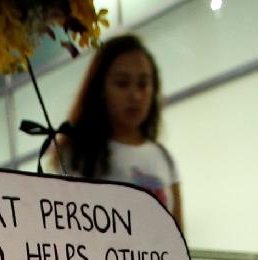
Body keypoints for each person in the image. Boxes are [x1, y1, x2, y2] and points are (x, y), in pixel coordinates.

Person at [54, 34, 183, 227]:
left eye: (143, 84)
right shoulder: (77, 155)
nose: (135, 95)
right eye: (122, 83)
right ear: (100, 89)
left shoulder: (164, 159)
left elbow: (179, 245)